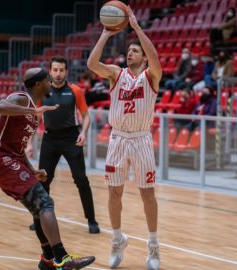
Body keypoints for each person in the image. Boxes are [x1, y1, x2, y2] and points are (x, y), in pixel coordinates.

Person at [0, 67, 95, 270]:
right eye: (47, 79)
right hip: (2, 160)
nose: (51, 82)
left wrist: (33, 170)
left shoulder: (32, 109)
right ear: (38, 84)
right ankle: (61, 258)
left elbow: (18, 148)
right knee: (46, 203)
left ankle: (47, 258)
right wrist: (31, 111)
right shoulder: (22, 98)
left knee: (39, 209)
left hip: (12, 159)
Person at [87, 5, 162, 270]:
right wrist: (106, 34)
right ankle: (117, 240)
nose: (130, 53)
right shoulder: (115, 74)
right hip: (118, 139)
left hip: (141, 139)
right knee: (114, 193)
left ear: (142, 57)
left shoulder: (151, 76)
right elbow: (91, 64)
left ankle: (153, 247)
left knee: (147, 195)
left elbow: (155, 60)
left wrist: (137, 28)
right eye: (128, 50)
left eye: (135, 51)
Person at [33, 57, 100, 234]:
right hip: (49, 139)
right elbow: (36, 118)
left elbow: (86, 116)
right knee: (43, 180)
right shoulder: (42, 92)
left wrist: (83, 132)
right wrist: (28, 143)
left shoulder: (75, 91)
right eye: (55, 70)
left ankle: (91, 220)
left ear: (66, 71)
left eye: (61, 70)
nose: (58, 73)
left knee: (81, 179)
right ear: (50, 71)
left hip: (71, 138)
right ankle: (39, 220)